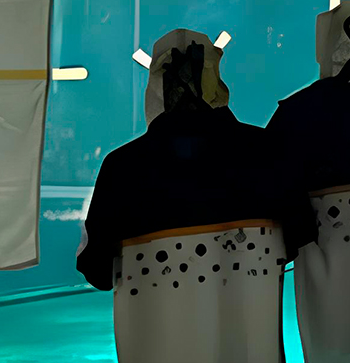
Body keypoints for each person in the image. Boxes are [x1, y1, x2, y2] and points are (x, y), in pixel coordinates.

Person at [77, 29, 316, 290]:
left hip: (153, 326)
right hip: (252, 323)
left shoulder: (120, 168)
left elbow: (97, 270)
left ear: (156, 86)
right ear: (215, 78)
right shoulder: (268, 150)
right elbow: (298, 234)